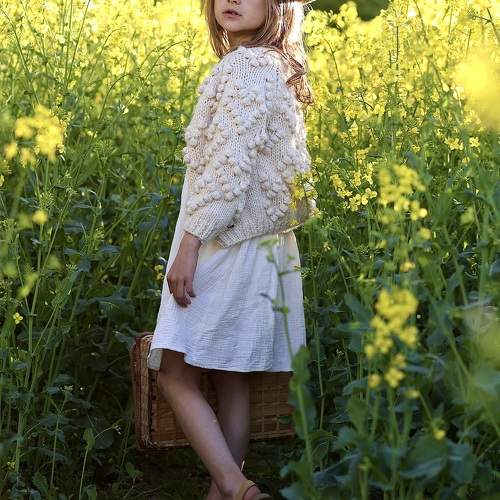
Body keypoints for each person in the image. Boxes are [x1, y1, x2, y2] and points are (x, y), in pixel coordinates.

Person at [146, 0, 316, 498]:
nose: (231, 0)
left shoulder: (244, 66)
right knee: (230, 376)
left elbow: (229, 165)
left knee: (173, 373)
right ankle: (228, 493)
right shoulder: (275, 66)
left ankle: (239, 489)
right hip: (261, 245)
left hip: (224, 242)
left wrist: (191, 242)